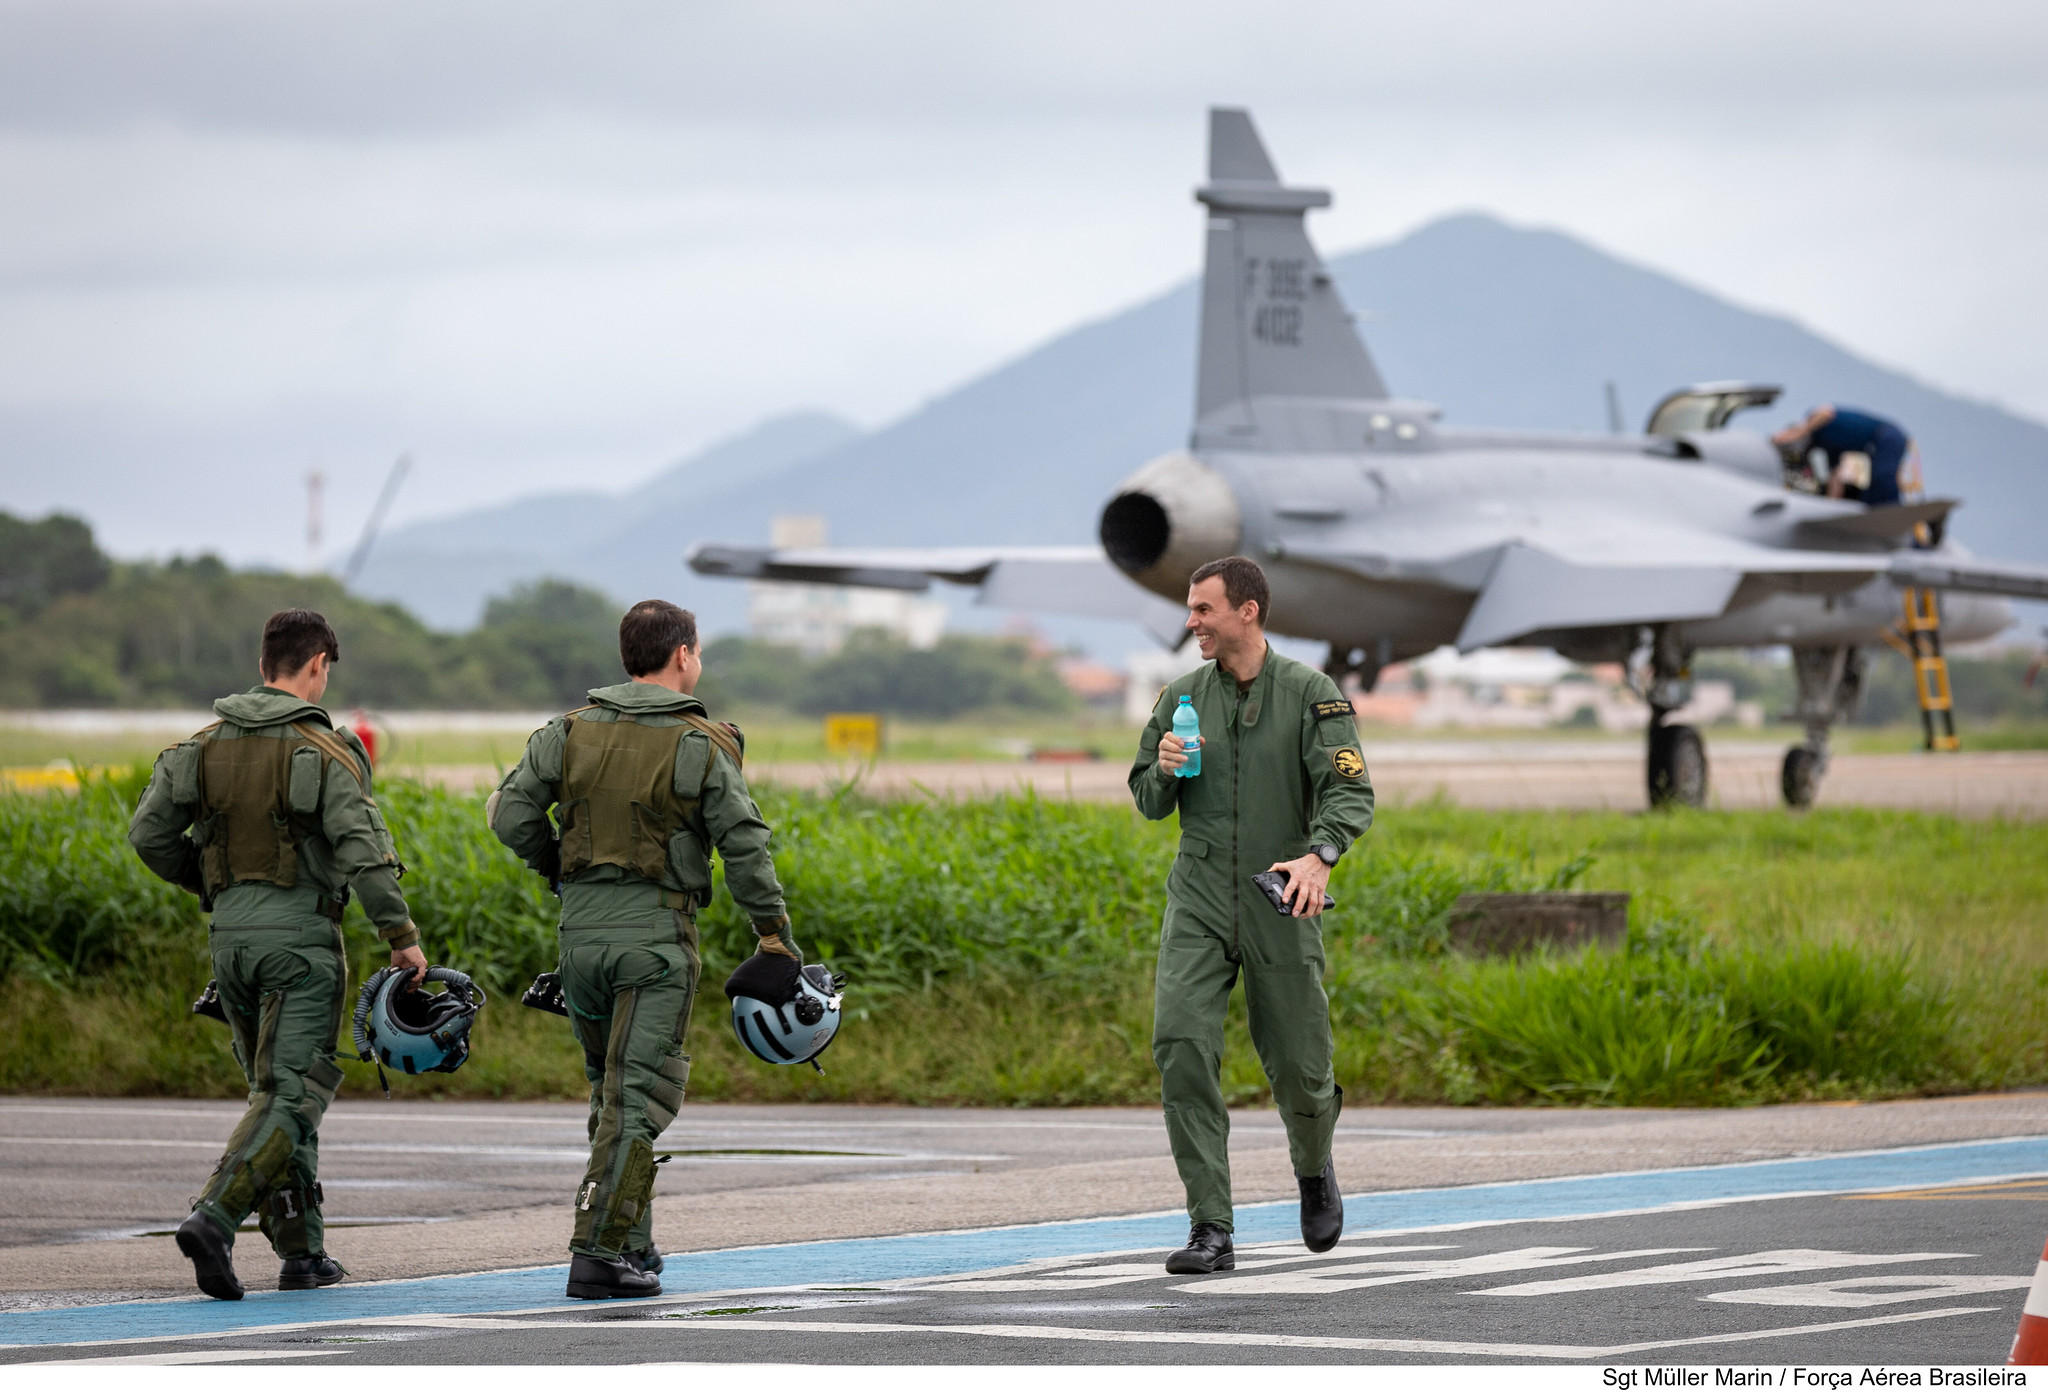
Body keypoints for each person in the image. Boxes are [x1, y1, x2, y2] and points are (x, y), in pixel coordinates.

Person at [487, 599, 800, 1301]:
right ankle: (597, 1250)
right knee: (641, 1095)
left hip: (581, 935)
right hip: (655, 937)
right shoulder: (702, 742)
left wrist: (560, 866)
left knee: (609, 1090)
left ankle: (633, 1240)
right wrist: (774, 935)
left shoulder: (566, 731)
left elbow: (509, 813)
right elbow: (743, 844)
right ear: (682, 654)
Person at [127, 609, 426, 1301]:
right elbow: (364, 852)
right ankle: (216, 1214)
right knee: (296, 1091)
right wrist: (401, 937)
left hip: (229, 940)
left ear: (265, 663)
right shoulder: (326, 750)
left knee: (275, 1093)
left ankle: (302, 1249)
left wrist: (210, 883)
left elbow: (148, 834)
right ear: (317, 664)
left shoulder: (200, 747)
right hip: (300, 941)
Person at [1128, 556, 1376, 1275]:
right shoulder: (1179, 696)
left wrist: (1319, 855)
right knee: (1180, 1043)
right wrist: (1164, 768)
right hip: (1199, 895)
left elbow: (1350, 793)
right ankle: (1212, 1226)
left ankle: (1313, 1162)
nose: (1191, 621)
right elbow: (1146, 798)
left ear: (1248, 611)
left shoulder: (1311, 694)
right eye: (1190, 608)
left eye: (1203, 608)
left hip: (1281, 893)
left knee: (1301, 1066)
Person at [1772, 405, 1911, 506]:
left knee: (1881, 478)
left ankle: (1894, 514)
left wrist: (1799, 432)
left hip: (1886, 435)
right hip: (1876, 447)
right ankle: (1879, 517)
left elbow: (1826, 412)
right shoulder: (1827, 447)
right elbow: (1835, 477)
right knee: (1870, 491)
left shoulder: (1813, 421)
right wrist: (1831, 506)